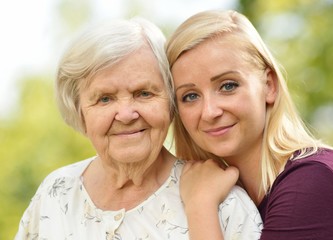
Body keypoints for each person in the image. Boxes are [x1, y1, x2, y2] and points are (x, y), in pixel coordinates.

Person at [15, 17, 263, 239]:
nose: (125, 114)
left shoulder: (225, 205)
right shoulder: (55, 192)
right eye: (105, 99)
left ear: (171, 104)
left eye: (143, 93)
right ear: (80, 111)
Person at [165, 9, 333, 240]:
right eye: (190, 96)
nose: (210, 112)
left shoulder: (314, 182)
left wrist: (200, 206)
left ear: (269, 85)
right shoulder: (234, 196)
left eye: (228, 86)